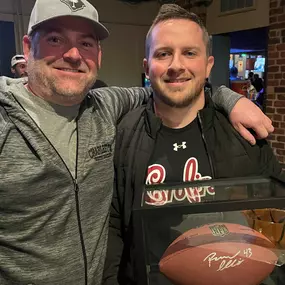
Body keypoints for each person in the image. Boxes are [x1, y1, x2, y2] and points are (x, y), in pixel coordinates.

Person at [0, 0, 274, 284]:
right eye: (55, 39)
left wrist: (229, 97)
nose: (72, 54)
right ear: (28, 48)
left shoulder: (104, 108)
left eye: (85, 43)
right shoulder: (121, 129)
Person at [103, 4, 284, 285]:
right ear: (146, 67)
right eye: (164, 54)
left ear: (208, 65)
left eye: (189, 53)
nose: (176, 65)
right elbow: (114, 228)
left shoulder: (244, 133)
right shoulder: (123, 135)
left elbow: (276, 212)